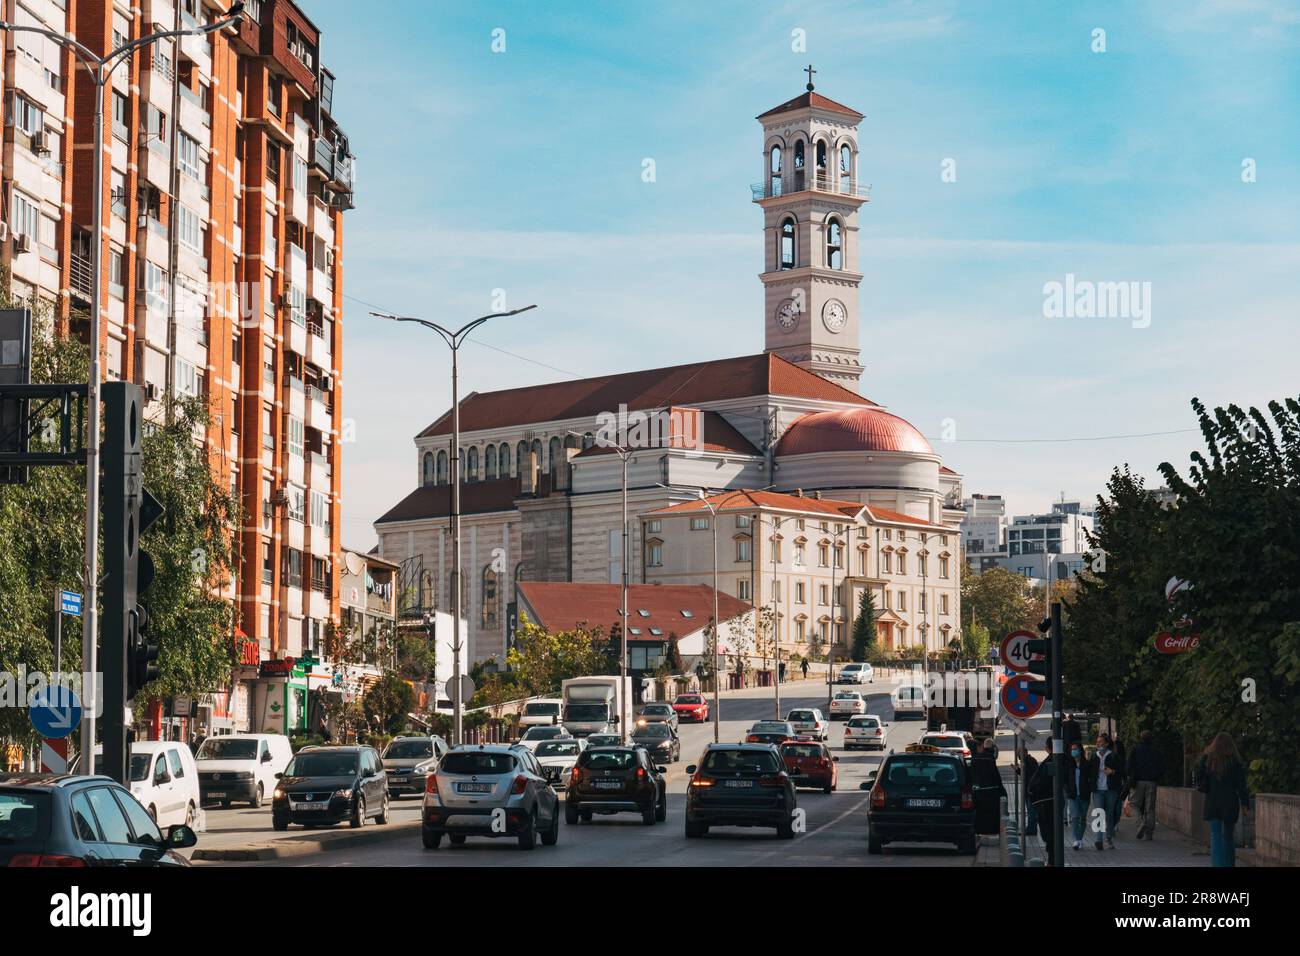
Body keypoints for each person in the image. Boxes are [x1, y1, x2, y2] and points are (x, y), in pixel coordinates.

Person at [1196, 732, 1251, 867]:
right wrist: (1245, 803)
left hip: (1213, 802)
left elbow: (1199, 779)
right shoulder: (1234, 761)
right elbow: (1241, 785)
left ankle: (1217, 864)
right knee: (1228, 836)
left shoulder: (1207, 759)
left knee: (1215, 836)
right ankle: (1229, 864)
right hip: (1230, 803)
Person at [1087, 732, 1124, 849]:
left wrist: (1112, 772)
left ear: (1107, 744)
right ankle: (1099, 840)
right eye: (1097, 742)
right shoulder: (1094, 756)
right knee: (1098, 814)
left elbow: (1122, 771)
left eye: (1100, 742)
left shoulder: (1113, 756)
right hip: (1097, 790)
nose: (1098, 744)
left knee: (1109, 814)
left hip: (1110, 789)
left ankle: (1108, 839)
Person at [1126, 730, 1164, 840]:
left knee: (1134, 805)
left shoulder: (1135, 751)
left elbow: (1129, 767)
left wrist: (1131, 776)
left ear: (1141, 739)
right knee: (1150, 808)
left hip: (1138, 781)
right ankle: (1149, 833)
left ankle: (1140, 823)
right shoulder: (1156, 752)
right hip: (1152, 782)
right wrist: (1156, 776)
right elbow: (1162, 768)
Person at [1027, 740, 1057, 863]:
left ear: (1048, 747)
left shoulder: (1052, 761)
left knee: (1049, 833)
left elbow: (1043, 781)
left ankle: (1052, 860)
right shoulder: (1051, 759)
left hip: (1046, 802)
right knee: (1048, 833)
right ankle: (1051, 859)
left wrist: (1034, 791)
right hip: (1044, 802)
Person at [969, 738, 1006, 835]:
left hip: (977, 792)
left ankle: (979, 830)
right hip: (991, 792)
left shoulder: (975, 758)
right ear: (993, 748)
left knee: (980, 814)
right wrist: (1002, 791)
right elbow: (995, 776)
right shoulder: (990, 759)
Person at [1067, 739, 1094, 850]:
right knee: (1074, 817)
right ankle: (1076, 840)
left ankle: (1080, 839)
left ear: (1080, 750)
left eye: (1075, 749)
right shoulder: (1069, 765)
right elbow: (1064, 779)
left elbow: (1091, 779)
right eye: (1072, 749)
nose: (1073, 751)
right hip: (1073, 795)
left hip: (1083, 795)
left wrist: (1089, 789)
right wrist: (1067, 789)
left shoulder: (1087, 765)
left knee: (1082, 818)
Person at [1017, 743, 1040, 836]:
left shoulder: (1028, 761)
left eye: (1018, 753)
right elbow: (1025, 774)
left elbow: (1029, 774)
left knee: (1031, 811)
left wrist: (1019, 770)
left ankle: (1031, 829)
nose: (1017, 756)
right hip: (1029, 789)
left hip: (1031, 790)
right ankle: (1031, 828)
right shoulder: (1028, 760)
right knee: (1030, 810)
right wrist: (1017, 770)